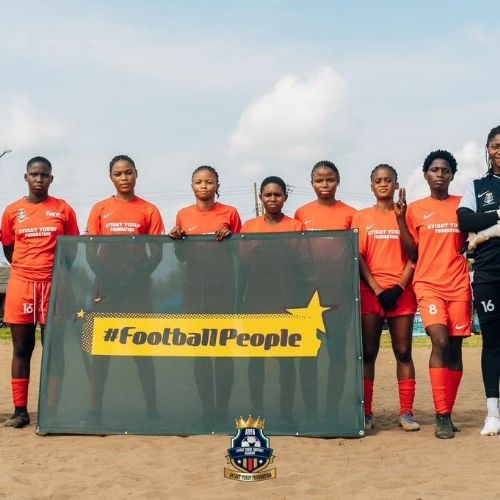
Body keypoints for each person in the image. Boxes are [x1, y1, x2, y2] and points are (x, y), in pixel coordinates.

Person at [396, 150, 471, 439]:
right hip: (428, 285)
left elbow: (473, 235)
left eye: (445, 170)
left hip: (459, 285)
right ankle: (441, 416)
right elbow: (412, 253)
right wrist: (400, 221)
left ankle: (447, 413)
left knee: (455, 348)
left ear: (452, 175)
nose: (440, 174)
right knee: (439, 341)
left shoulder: (464, 205)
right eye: (434, 170)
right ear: (425, 175)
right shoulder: (415, 209)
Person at [1, 156, 79, 428]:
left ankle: (52, 410)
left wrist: (53, 273)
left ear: (51, 179)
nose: (39, 179)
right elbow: (9, 248)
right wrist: (26, 268)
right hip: (22, 285)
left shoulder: (63, 209)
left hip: (53, 286)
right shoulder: (13, 211)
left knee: (53, 349)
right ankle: (20, 411)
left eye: (44, 175)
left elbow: (71, 249)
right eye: (34, 174)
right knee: (22, 348)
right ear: (26, 177)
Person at [86, 154, 165, 422]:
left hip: (137, 289)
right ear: (111, 178)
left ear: (136, 174)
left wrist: (138, 276)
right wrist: (106, 276)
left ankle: (152, 410)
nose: (124, 178)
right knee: (101, 351)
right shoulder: (100, 209)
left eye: (128, 172)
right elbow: (90, 252)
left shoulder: (149, 209)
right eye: (118, 174)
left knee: (141, 350)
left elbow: (157, 253)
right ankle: (95, 410)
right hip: (106, 289)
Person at [169, 165, 241, 427]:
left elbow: (240, 250)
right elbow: (181, 258)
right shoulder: (183, 215)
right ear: (192, 186)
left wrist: (231, 238)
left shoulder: (230, 213)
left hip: (222, 291)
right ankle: (207, 410)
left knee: (223, 352)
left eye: (209, 182)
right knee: (200, 354)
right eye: (199, 182)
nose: (204, 186)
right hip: (194, 292)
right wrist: (176, 240)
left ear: (217, 185)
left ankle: (222, 410)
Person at [352, 164, 419, 432]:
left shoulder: (407, 214)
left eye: (388, 180)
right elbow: (358, 256)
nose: (383, 184)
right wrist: (377, 288)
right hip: (371, 293)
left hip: (401, 292)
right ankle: (367, 413)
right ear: (371, 186)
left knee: (403, 352)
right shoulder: (361, 217)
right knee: (368, 353)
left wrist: (400, 287)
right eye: (378, 180)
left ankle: (406, 413)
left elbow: (414, 254)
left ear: (396, 184)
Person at [294, 160, 356, 421]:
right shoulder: (301, 214)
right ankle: (311, 412)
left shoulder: (351, 214)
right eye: (319, 180)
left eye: (330, 179)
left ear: (338, 181)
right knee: (308, 353)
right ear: (311, 183)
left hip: (339, 296)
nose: (324, 184)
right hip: (307, 297)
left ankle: (332, 410)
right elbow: (295, 253)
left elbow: (357, 256)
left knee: (337, 353)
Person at [240, 176, 304, 426]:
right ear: (261, 198)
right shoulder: (249, 227)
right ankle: (256, 410)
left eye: (278, 195)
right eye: (268, 195)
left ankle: (286, 412)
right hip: (256, 304)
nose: (273, 199)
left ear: (285, 197)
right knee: (256, 360)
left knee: (286, 361)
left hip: (286, 304)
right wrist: (239, 301)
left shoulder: (296, 226)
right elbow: (243, 267)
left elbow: (301, 267)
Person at [457, 125, 500, 436]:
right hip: (488, 274)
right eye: (496, 145)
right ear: (488, 149)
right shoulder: (477, 186)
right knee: (493, 342)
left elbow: (476, 226)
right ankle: (493, 414)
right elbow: (465, 220)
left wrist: (484, 231)